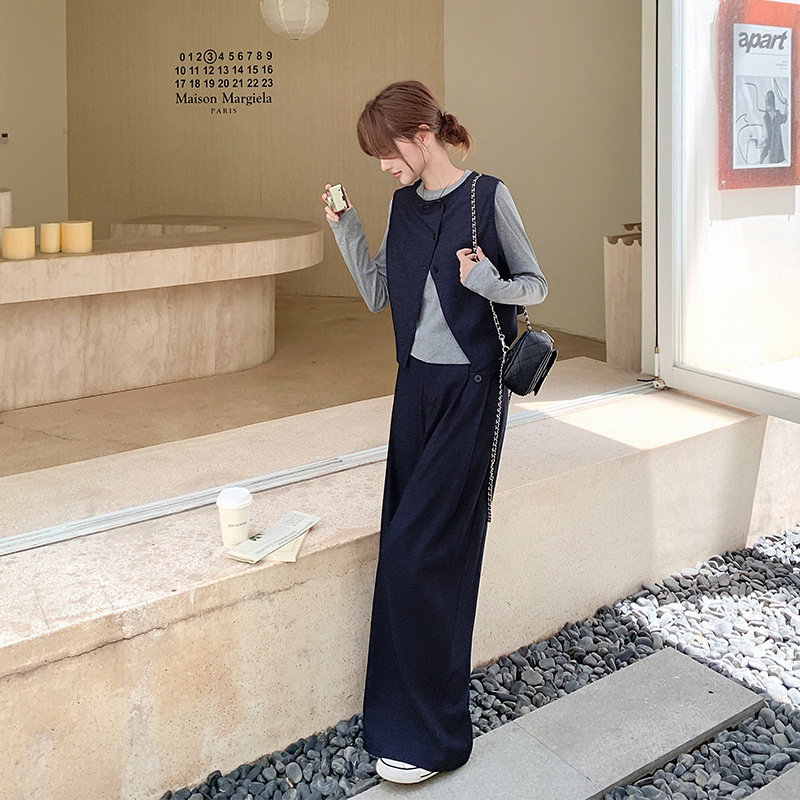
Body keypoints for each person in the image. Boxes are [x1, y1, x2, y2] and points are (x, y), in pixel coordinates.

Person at [321, 80, 547, 785]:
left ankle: (435, 737)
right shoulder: (400, 207)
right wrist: (345, 225)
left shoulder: (487, 197)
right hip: (414, 392)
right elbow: (379, 293)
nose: (384, 166)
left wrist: (486, 284)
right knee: (403, 547)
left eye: (387, 152)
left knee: (423, 555)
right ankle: (398, 724)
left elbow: (535, 286)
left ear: (422, 136)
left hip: (472, 395)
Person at [759, 89, 788, 165]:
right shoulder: (765, 117)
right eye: (766, 100)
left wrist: (786, 106)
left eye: (769, 100)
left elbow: (784, 119)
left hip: (777, 147)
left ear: (773, 102)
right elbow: (765, 134)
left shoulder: (777, 114)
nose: (768, 102)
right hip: (768, 146)